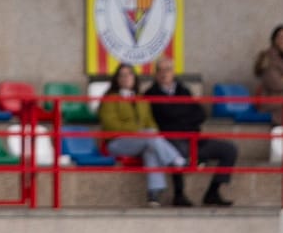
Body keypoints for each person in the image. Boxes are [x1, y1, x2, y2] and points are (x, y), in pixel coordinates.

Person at [144, 58, 236, 206]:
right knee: (176, 151)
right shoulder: (150, 95)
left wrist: (179, 117)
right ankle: (179, 194)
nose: (164, 74)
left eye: (167, 70)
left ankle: (213, 192)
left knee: (229, 150)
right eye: (160, 70)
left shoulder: (184, 90)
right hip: (172, 140)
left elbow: (200, 114)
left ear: (173, 72)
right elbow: (165, 117)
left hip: (195, 139)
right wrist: (184, 115)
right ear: (155, 74)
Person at [98, 63, 188, 207]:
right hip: (117, 142)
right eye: (122, 75)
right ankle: (175, 159)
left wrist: (146, 132)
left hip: (142, 140)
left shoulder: (141, 99)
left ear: (134, 78)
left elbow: (151, 123)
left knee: (150, 146)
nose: (126, 78)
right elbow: (111, 125)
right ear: (117, 79)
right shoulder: (110, 99)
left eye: (129, 74)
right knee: (149, 137)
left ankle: (154, 194)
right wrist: (138, 131)